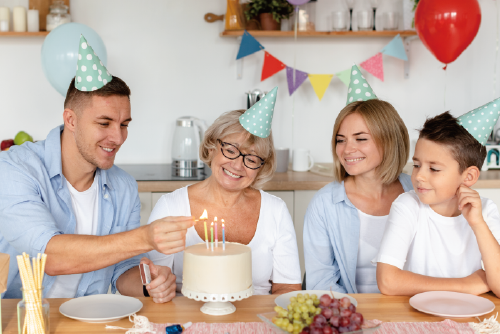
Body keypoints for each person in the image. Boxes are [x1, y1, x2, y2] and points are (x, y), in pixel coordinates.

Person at [0, 36, 193, 303]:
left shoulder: (123, 186)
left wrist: (150, 283)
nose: (118, 137)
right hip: (22, 321)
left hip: (92, 318)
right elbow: (49, 257)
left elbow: (121, 270)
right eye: (104, 123)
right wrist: (145, 237)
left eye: (124, 124)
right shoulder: (15, 168)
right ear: (71, 119)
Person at [147, 87, 302, 295]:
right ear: (212, 147)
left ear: (261, 167)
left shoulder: (276, 211)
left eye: (252, 158)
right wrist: (159, 286)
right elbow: (157, 279)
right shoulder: (171, 206)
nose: (238, 165)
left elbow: (288, 288)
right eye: (230, 150)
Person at [303, 65, 412, 293]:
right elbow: (322, 283)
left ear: (389, 140)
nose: (347, 149)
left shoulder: (418, 192)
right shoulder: (324, 204)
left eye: (360, 139)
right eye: (340, 140)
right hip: (351, 314)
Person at [376, 107, 500, 298]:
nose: (419, 177)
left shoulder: (486, 211)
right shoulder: (407, 205)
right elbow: (387, 281)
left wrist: (477, 224)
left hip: (472, 317)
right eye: (417, 165)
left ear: (468, 176)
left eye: (434, 168)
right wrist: (465, 285)